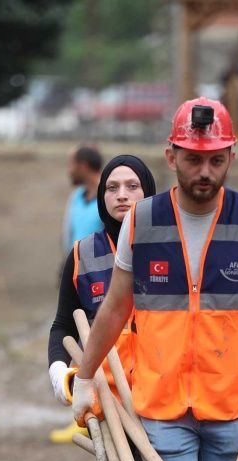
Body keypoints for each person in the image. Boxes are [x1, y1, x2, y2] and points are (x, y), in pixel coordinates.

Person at [70, 97, 238, 461]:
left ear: (231, 158)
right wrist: (86, 378)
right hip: (163, 411)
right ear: (171, 157)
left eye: (216, 160)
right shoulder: (141, 221)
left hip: (232, 408)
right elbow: (115, 307)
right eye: (193, 159)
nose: (205, 171)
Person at [46, 155, 156, 440]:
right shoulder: (82, 255)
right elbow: (63, 326)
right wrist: (58, 368)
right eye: (112, 187)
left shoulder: (169, 248)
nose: (122, 195)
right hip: (109, 409)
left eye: (132, 186)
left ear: (148, 193)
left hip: (165, 409)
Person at [62, 144, 104, 254]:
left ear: (83, 166)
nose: (69, 171)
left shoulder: (109, 199)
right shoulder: (76, 197)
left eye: (71, 164)